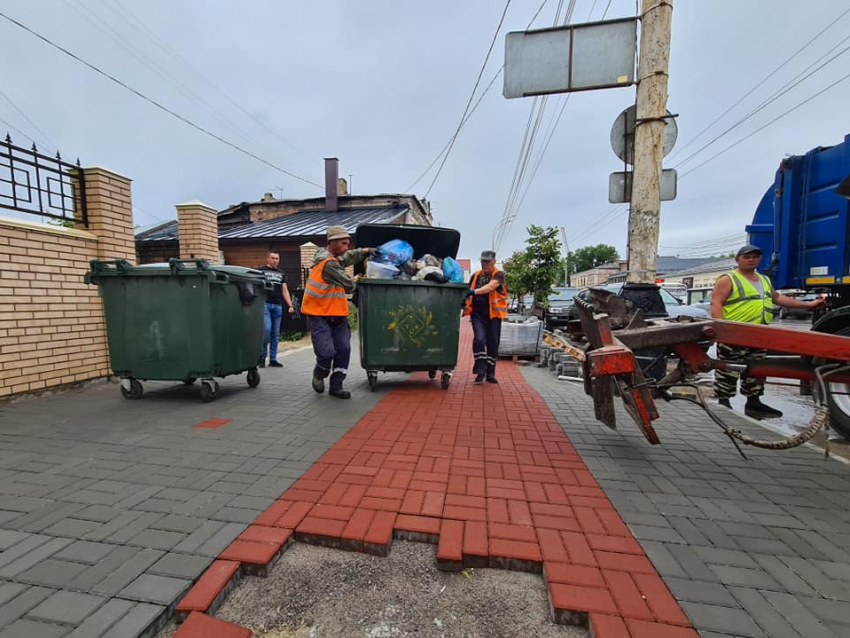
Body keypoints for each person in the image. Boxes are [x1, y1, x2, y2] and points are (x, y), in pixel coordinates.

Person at [710, 244, 825, 417]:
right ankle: (724, 402)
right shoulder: (729, 279)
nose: (751, 259)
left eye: (755, 256)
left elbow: (778, 298)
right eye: (747, 256)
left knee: (756, 368)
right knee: (729, 367)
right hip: (736, 331)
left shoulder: (764, 280)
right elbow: (716, 302)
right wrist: (722, 328)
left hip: (758, 333)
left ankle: (753, 402)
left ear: (760, 259)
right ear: (738, 259)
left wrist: (808, 304)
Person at [300, 225, 374, 399]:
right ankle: (320, 373)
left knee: (343, 350)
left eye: (348, 243)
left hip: (337, 314)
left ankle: (336, 385)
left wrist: (365, 251)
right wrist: (362, 278)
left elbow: (347, 257)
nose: (347, 246)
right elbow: (348, 283)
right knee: (326, 352)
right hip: (319, 315)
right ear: (331, 242)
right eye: (344, 243)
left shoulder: (335, 258)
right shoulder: (328, 264)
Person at [463, 250, 508, 384]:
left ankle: (490, 373)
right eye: (483, 261)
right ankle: (480, 371)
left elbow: (491, 287)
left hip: (494, 315)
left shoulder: (499, 275)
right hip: (478, 314)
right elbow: (467, 291)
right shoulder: (475, 275)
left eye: (487, 261)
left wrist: (474, 291)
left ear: (494, 261)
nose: (485, 264)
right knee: (479, 339)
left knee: (493, 343)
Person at [259, 251, 295, 368]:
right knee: (267, 330)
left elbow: (285, 290)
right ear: (268, 259)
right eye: (273, 258)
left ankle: (273, 359)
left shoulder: (281, 273)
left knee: (275, 333)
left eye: (277, 258)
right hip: (265, 304)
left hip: (278, 305)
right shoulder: (261, 271)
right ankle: (262, 358)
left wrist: (290, 305)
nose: (275, 260)